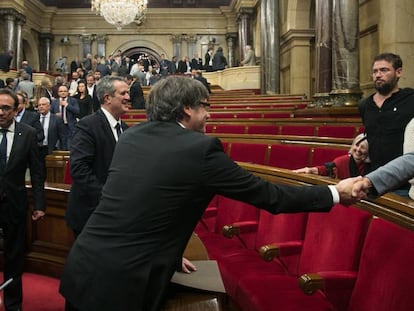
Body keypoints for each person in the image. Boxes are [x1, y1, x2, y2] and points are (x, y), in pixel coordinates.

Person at [59, 75, 359, 311]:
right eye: (205, 107)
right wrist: (335, 193)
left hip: (83, 266)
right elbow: (271, 196)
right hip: (123, 287)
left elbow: (145, 206)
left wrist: (172, 255)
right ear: (188, 108)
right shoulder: (200, 149)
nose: (208, 116)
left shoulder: (131, 137)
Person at [65, 76, 130, 238]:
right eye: (123, 93)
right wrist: (107, 197)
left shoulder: (126, 129)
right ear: (108, 98)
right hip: (90, 214)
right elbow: (79, 169)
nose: (128, 97)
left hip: (116, 215)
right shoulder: (88, 125)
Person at [0, 88, 45, 311]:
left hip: (15, 205)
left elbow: (37, 172)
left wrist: (39, 204)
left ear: (16, 110)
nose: (0, 112)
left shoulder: (27, 133)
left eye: (5, 108)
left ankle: (13, 304)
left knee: (14, 258)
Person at [359, 53, 414, 171]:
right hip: (374, 176)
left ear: (398, 72)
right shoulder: (365, 104)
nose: (378, 75)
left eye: (384, 70)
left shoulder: (410, 99)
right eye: (375, 71)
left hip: (404, 176)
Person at [293, 133, 370, 179]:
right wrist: (310, 170)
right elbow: (325, 170)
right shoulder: (342, 161)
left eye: (363, 147)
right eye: (356, 145)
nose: (358, 149)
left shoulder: (372, 166)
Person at [37, 97, 68, 181]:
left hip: (50, 150)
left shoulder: (56, 119)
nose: (41, 107)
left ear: (49, 106)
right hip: (37, 151)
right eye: (39, 105)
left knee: (51, 175)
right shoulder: (34, 118)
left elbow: (63, 136)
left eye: (43, 104)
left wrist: (63, 150)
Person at [50, 85, 80, 149]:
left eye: (64, 91)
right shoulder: (54, 102)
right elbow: (50, 114)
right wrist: (55, 115)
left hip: (70, 126)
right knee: (61, 146)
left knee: (70, 146)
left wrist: (67, 105)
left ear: (67, 92)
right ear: (58, 93)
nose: (63, 93)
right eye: (61, 91)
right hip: (59, 127)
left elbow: (77, 111)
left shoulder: (73, 100)